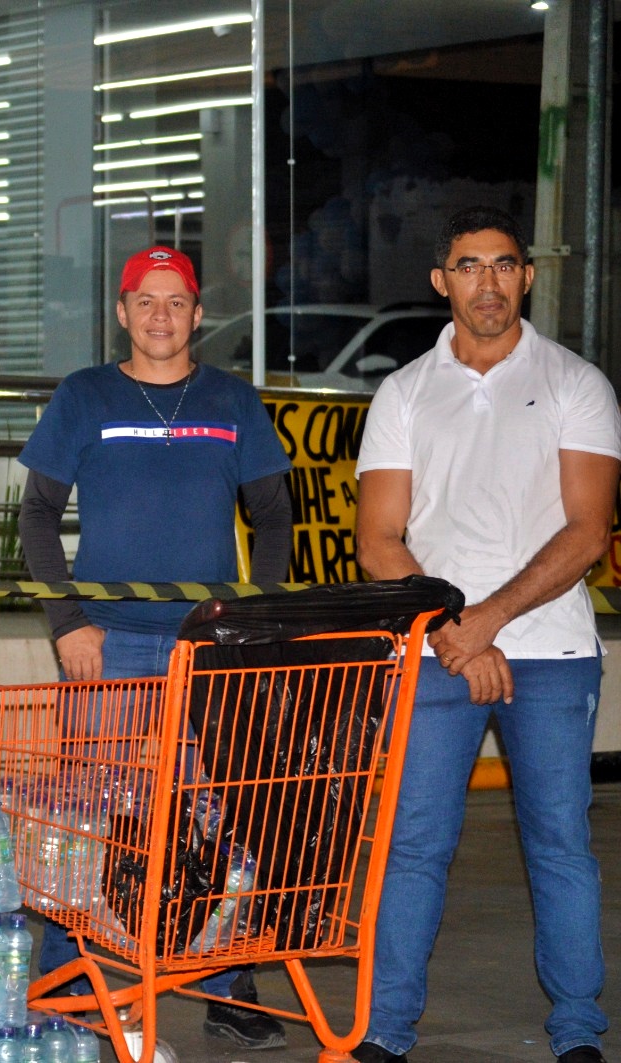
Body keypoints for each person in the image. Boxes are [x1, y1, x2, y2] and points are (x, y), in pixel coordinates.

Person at [353, 207, 617, 1063]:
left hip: (552, 653)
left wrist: (485, 623)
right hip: (434, 651)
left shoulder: (578, 382)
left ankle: (578, 1030)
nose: (489, 282)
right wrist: (449, 634)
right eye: (469, 266)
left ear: (526, 277)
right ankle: (386, 1030)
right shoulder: (403, 392)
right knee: (414, 845)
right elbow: (377, 539)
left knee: (559, 844)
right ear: (442, 280)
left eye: (505, 265)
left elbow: (587, 531)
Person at [16, 245, 294, 1050]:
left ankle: (224, 980)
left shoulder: (233, 401)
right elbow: (37, 515)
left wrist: (252, 621)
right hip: (109, 648)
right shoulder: (86, 395)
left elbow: (271, 517)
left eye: (177, 302)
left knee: (216, 822)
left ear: (198, 314)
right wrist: (68, 622)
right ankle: (67, 987)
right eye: (147, 300)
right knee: (93, 824)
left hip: (207, 652)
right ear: (124, 311)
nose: (161, 315)